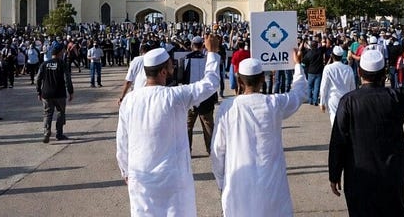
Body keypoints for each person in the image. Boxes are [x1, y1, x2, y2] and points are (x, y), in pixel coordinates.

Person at [116, 34, 221, 217]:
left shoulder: (129, 100)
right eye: (171, 64)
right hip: (173, 179)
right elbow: (210, 83)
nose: (174, 65)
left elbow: (122, 141)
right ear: (163, 72)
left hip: (141, 178)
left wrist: (126, 171)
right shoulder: (175, 97)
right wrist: (211, 53)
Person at [328, 41, 404, 217]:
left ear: (359, 72)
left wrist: (334, 173)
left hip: (359, 174)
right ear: (384, 74)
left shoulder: (348, 101)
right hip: (392, 173)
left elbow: (338, 140)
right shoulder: (395, 97)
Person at [211, 52, 308, 216]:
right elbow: (299, 92)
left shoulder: (228, 107)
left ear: (239, 80)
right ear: (263, 79)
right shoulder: (274, 103)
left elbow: (217, 150)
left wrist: (222, 182)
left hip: (238, 184)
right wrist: (297, 64)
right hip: (271, 186)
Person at [36, 42, 74, 143]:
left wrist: (39, 91)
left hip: (46, 93)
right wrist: (70, 91)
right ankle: (59, 133)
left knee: (47, 113)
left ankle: (46, 132)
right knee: (60, 112)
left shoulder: (44, 64)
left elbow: (38, 79)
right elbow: (67, 79)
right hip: (59, 93)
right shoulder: (62, 64)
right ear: (60, 52)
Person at [185, 36, 217, 155]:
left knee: (188, 126)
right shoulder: (208, 59)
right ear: (202, 46)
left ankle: (187, 150)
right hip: (206, 97)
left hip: (190, 97)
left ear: (192, 45)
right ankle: (211, 150)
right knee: (208, 125)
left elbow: (182, 77)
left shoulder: (186, 58)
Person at [318, 45, 355, 125]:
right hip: (346, 98)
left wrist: (322, 102)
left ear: (332, 56)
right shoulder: (348, 68)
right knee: (345, 120)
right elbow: (352, 86)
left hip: (333, 98)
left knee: (334, 119)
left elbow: (324, 86)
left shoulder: (328, 68)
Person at [302, 40, 324, 105]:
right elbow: (323, 46)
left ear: (311, 46)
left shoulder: (309, 53)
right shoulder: (320, 52)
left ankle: (310, 100)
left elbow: (304, 63)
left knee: (309, 86)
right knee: (316, 87)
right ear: (317, 45)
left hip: (311, 71)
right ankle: (315, 101)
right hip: (318, 72)